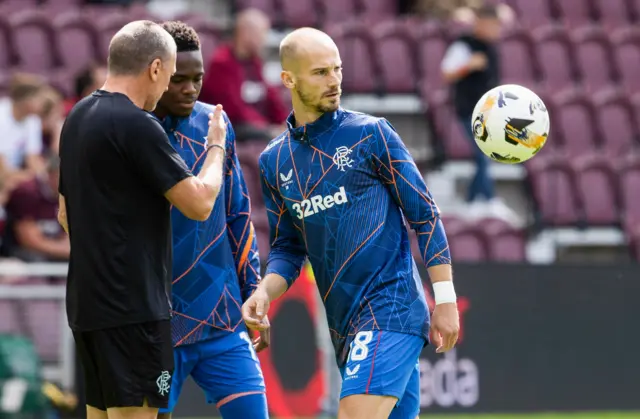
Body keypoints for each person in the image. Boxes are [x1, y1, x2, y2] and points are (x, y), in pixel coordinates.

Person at [242, 28, 460, 419]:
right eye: (321, 72)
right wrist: (263, 292)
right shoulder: (274, 161)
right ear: (288, 79)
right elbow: (289, 249)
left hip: (392, 308)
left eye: (337, 70)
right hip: (345, 325)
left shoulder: (371, 134)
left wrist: (444, 301)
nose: (334, 81)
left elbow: (425, 215)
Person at [57, 20, 228, 419]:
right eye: (169, 76)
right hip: (135, 311)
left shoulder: (77, 117)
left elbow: (65, 214)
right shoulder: (137, 124)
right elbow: (200, 203)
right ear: (154, 68)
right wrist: (216, 146)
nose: (167, 87)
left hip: (88, 307)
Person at [151, 21, 269, 419]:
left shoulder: (215, 125)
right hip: (158, 324)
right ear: (156, 73)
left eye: (197, 78)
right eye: (178, 79)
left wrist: (253, 290)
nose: (189, 88)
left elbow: (238, 214)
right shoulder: (135, 130)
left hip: (222, 316)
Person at [441, 5, 517, 221]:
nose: (497, 29)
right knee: (483, 152)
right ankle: (487, 199)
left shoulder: (490, 47)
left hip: (487, 111)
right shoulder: (464, 45)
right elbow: (447, 72)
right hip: (468, 109)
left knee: (483, 154)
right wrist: (468, 66)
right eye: (493, 24)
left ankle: (473, 200)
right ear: (481, 23)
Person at [199, 8, 288, 142]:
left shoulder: (254, 62)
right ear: (246, 34)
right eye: (261, 34)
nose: (264, 40)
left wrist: (285, 122)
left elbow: (270, 96)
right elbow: (233, 109)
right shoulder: (222, 62)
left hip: (254, 125)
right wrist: (268, 128)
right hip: (228, 126)